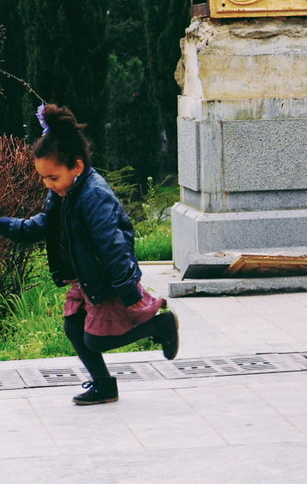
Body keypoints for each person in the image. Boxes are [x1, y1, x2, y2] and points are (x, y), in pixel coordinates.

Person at [0, 104, 179, 406]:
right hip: (88, 277)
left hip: (108, 279)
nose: (47, 184)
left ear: (78, 167)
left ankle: (159, 326)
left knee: (97, 338)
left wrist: (125, 287)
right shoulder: (63, 193)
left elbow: (113, 243)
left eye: (52, 177)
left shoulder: (94, 195)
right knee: (74, 326)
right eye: (43, 178)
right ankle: (104, 385)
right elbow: (41, 225)